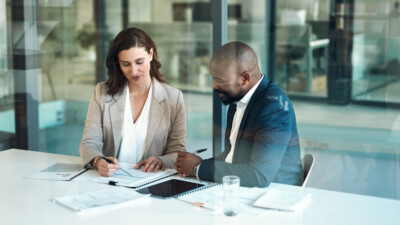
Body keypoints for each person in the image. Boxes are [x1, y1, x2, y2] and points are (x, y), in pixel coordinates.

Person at [175, 41, 303, 187]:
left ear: (245, 79)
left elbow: (258, 176)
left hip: (275, 195)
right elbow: (232, 155)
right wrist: (197, 165)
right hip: (246, 190)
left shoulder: (274, 109)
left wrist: (199, 168)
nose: (213, 85)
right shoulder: (237, 102)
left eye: (220, 80)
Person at [80, 27, 186, 177]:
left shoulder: (174, 98)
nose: (134, 71)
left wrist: (162, 161)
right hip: (110, 181)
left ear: (150, 54)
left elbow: (177, 151)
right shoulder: (102, 93)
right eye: (126, 64)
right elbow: (89, 142)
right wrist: (98, 161)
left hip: (152, 182)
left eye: (139, 62)